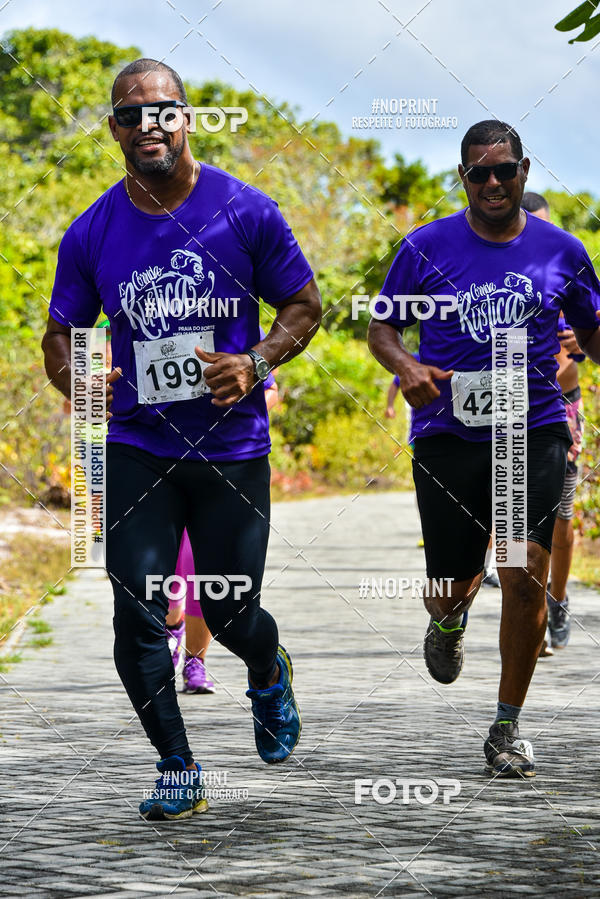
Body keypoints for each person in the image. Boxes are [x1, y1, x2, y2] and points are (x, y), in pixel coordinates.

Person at [42, 58, 321, 820]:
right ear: (114, 130)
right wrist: (77, 380)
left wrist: (257, 359)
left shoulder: (246, 210)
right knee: (135, 606)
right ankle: (176, 764)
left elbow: (304, 303)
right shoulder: (92, 230)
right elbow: (59, 335)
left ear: (187, 117)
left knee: (230, 610)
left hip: (231, 449)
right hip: (139, 445)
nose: (147, 127)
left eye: (161, 111)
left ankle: (267, 663)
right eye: (130, 116)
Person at [368, 120, 600, 777]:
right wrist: (406, 366)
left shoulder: (564, 250)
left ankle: (506, 726)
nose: (493, 182)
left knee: (523, 568)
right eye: (479, 173)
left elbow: (591, 329)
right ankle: (448, 623)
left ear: (526, 171)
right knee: (449, 583)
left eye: (505, 170)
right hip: (447, 432)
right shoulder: (425, 247)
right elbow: (381, 327)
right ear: (463, 178)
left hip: (533, 426)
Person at [165, 355, 279, 693]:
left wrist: (241, 407)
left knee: (202, 576)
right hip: (154, 469)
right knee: (167, 572)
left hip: (220, 467)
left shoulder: (235, 324)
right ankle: (172, 626)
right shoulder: (126, 328)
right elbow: (79, 404)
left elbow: (271, 390)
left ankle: (195, 661)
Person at [522, 192, 584, 653]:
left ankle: (557, 601)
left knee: (560, 520)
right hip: (507, 411)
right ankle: (525, 612)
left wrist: (580, 338)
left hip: (560, 408)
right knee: (510, 518)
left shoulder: (565, 265)